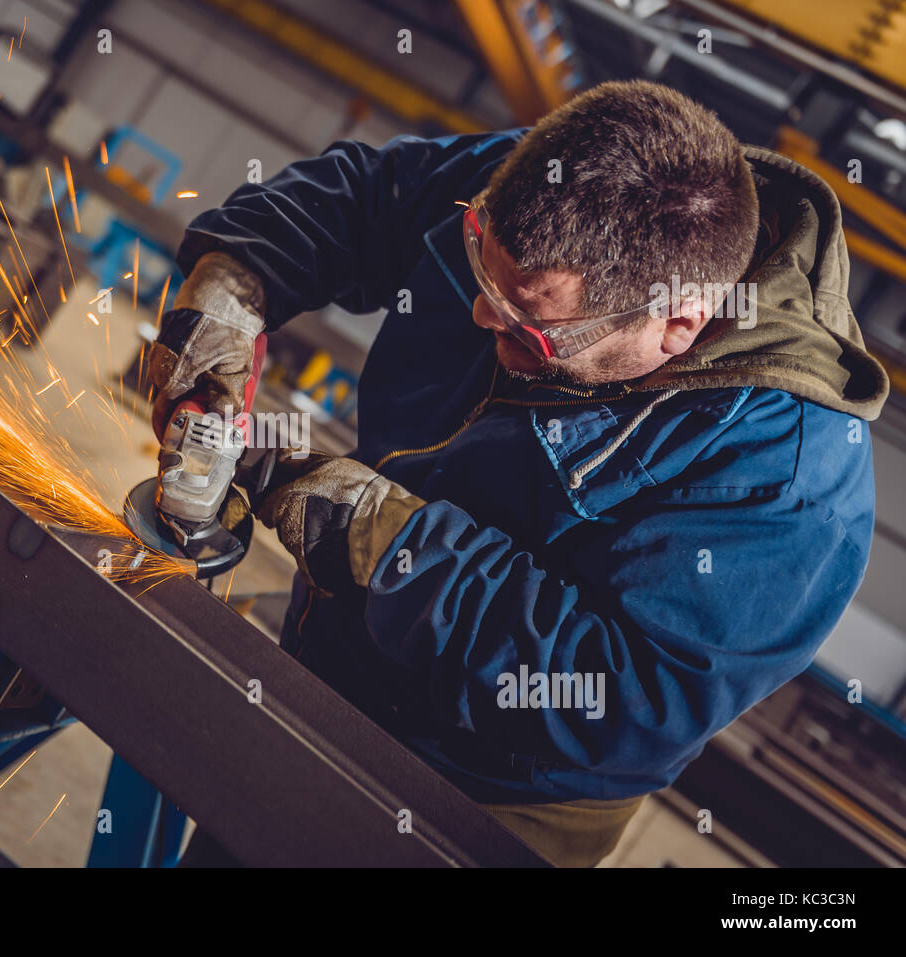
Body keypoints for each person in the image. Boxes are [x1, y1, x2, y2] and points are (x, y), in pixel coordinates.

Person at [148, 80, 889, 866]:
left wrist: (384, 540)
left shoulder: (789, 479)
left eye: (528, 327)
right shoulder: (553, 193)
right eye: (478, 269)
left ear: (677, 323)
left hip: (488, 790)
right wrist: (235, 283)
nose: (481, 316)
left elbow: (618, 697)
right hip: (333, 657)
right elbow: (365, 198)